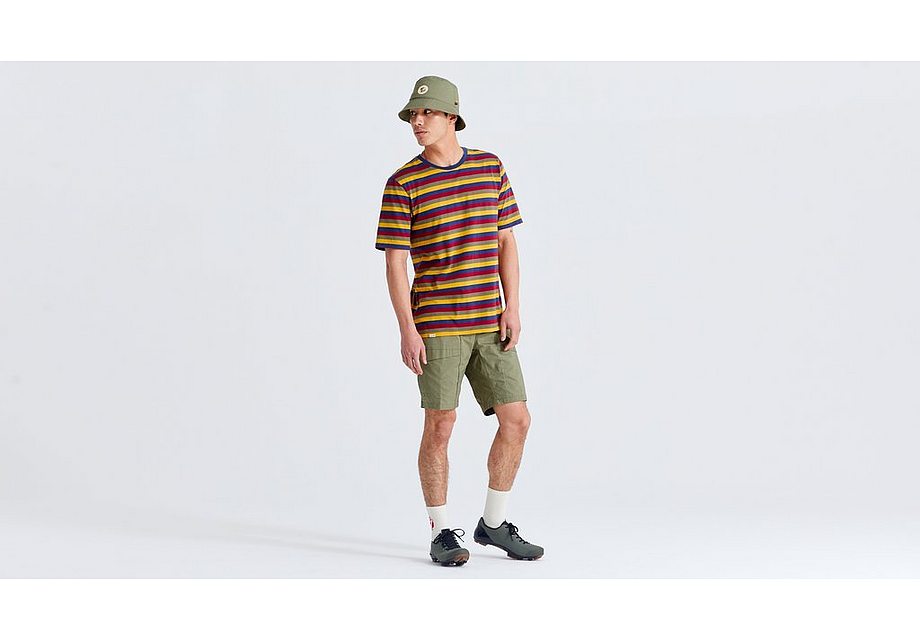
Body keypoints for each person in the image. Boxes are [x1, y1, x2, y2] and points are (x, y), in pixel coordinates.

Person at [374, 75, 544, 567]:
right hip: (437, 324)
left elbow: (506, 241)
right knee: (441, 424)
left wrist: (513, 306)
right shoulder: (403, 182)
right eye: (413, 115)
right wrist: (407, 329)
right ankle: (441, 531)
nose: (417, 122)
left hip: (490, 320)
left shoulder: (490, 168)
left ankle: (494, 524)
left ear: (452, 116)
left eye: (426, 112)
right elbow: (395, 263)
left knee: (517, 420)